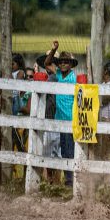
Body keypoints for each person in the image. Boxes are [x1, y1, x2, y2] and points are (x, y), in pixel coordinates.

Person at [44, 41, 78, 185]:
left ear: (71, 64)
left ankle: (70, 180)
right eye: (61, 62)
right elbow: (46, 63)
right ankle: (67, 180)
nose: (63, 64)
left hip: (70, 119)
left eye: (66, 62)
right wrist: (54, 49)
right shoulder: (57, 74)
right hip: (59, 119)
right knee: (63, 151)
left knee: (69, 150)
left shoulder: (74, 78)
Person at [36, 48, 60, 183]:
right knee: (55, 153)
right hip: (54, 117)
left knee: (49, 152)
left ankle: (50, 182)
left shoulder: (53, 78)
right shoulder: (53, 78)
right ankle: (53, 182)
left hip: (51, 117)